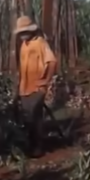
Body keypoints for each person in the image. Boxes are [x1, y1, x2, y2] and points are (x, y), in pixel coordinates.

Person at [13, 15, 57, 156]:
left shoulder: (40, 43)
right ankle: (30, 146)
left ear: (31, 31)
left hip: (37, 87)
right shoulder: (23, 46)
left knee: (34, 117)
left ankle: (38, 147)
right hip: (25, 88)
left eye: (25, 32)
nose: (23, 35)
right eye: (21, 33)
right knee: (27, 118)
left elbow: (52, 62)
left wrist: (46, 80)